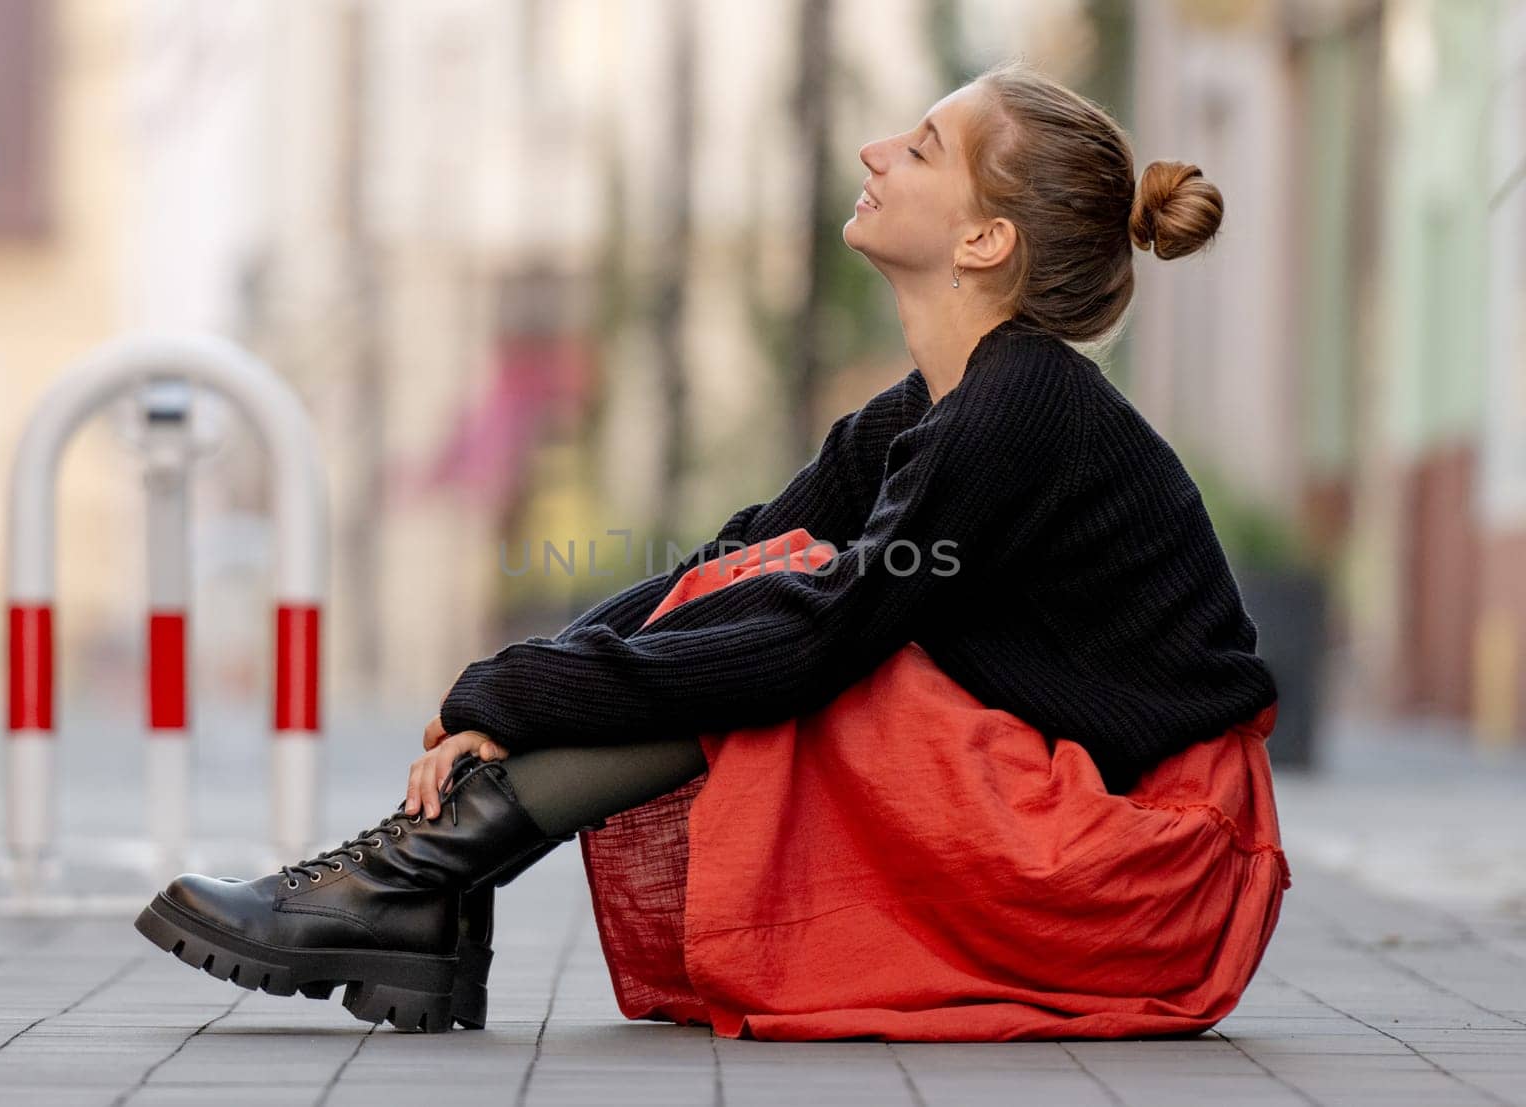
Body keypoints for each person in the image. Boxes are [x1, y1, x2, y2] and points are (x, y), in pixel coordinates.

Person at [135, 58, 1289, 1040]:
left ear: (984, 240)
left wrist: (527, 692)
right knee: (774, 575)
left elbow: (811, 637)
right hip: (1072, 825)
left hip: (1153, 865)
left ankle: (407, 885)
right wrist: (515, 695)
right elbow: (737, 554)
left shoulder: (1022, 407)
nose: (878, 150)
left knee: (815, 640)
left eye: (924, 148)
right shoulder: (929, 407)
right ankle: (419, 888)